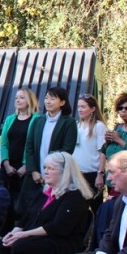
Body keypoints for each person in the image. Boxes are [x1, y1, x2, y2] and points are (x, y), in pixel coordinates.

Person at [20, 86, 77, 217]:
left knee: (48, 210)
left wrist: (49, 172)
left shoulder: (69, 123)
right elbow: (29, 147)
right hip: (34, 176)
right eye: (46, 98)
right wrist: (33, 170)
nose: (48, 101)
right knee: (27, 210)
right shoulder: (38, 120)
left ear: (62, 102)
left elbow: (67, 150)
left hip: (56, 176)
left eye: (53, 98)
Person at [95, 93, 127, 244]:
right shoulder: (117, 127)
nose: (123, 111)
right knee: (110, 211)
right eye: (120, 108)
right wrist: (100, 174)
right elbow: (104, 152)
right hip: (111, 177)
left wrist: (119, 140)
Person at [0, 88, 42, 223]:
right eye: (16, 97)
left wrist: (26, 165)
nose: (18, 100)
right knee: (6, 201)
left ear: (30, 100)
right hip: (8, 167)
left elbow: (37, 145)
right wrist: (6, 164)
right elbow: (4, 143)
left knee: (23, 203)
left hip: (26, 168)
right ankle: (4, 231)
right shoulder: (10, 119)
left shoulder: (38, 119)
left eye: (22, 97)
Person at [73, 93, 107, 209]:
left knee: (95, 207)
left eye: (83, 107)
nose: (80, 109)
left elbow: (103, 151)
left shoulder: (99, 126)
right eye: (78, 107)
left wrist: (100, 174)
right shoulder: (76, 125)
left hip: (92, 174)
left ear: (92, 109)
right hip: (77, 174)